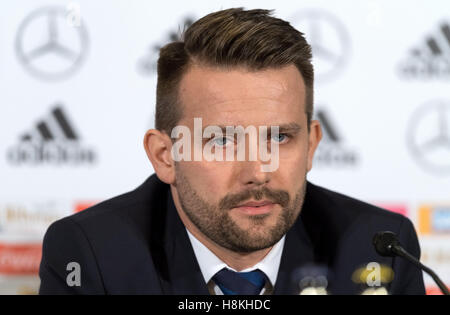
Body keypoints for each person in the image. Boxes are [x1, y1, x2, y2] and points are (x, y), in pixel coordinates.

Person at [39, 8, 425, 295]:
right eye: (222, 141)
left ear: (312, 145)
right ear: (164, 155)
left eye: (279, 138)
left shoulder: (379, 247)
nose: (257, 170)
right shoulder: (93, 253)